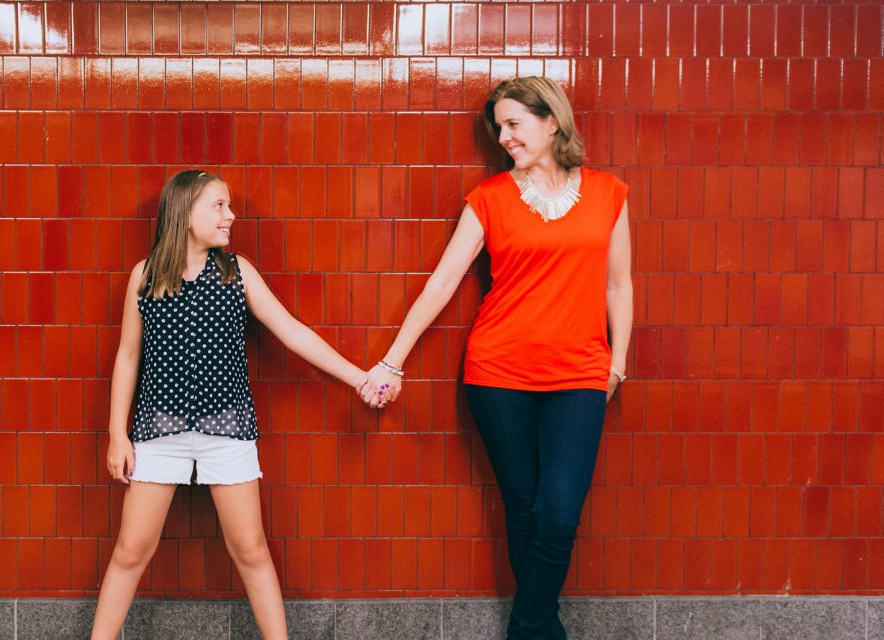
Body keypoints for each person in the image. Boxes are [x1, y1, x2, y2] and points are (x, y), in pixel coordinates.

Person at [359, 76, 633, 639]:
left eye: (514, 123)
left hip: (580, 373)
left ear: (552, 121)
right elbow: (441, 284)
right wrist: (392, 360)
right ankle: (538, 628)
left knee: (558, 514)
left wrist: (618, 361)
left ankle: (528, 627)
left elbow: (619, 286)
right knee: (525, 508)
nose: (504, 137)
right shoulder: (489, 199)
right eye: (499, 127)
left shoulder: (608, 193)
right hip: (498, 373)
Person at [91, 170, 368, 640]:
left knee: (251, 550)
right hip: (159, 433)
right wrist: (118, 434)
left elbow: (292, 331)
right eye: (219, 206)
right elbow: (128, 355)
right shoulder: (146, 274)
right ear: (186, 213)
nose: (231, 216)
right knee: (131, 550)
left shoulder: (237, 272)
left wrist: (358, 376)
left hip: (228, 432)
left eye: (229, 206)